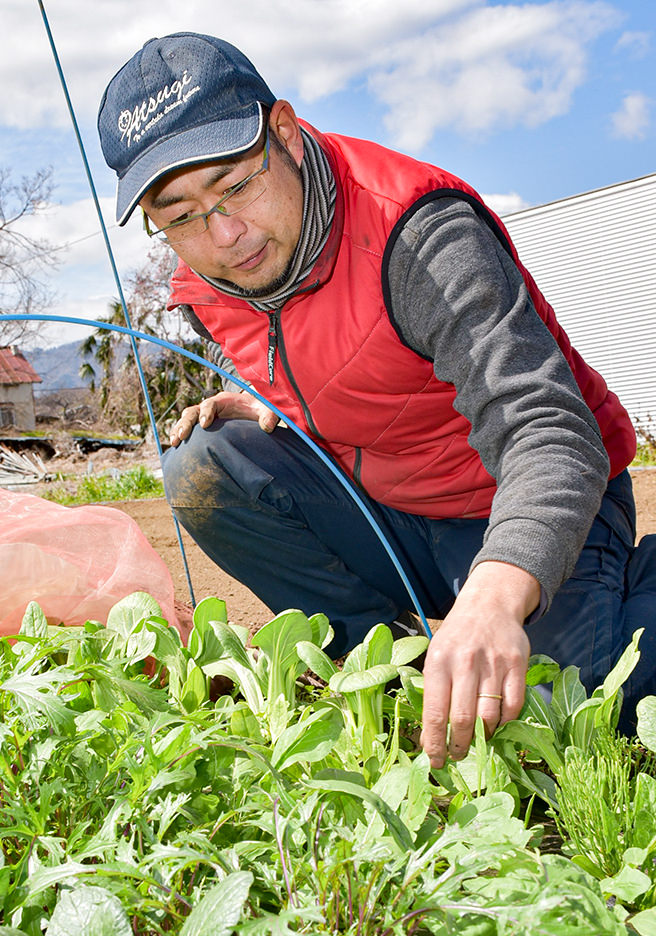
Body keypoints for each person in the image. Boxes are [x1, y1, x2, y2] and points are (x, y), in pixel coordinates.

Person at [98, 31, 656, 769]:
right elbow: (312, 345)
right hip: (394, 516)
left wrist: (493, 597)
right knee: (203, 465)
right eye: (181, 215)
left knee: (568, 731)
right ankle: (386, 663)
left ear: (286, 136)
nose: (224, 234)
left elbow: (550, 432)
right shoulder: (206, 282)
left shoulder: (417, 236)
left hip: (524, 510)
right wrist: (271, 398)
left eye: (235, 185)